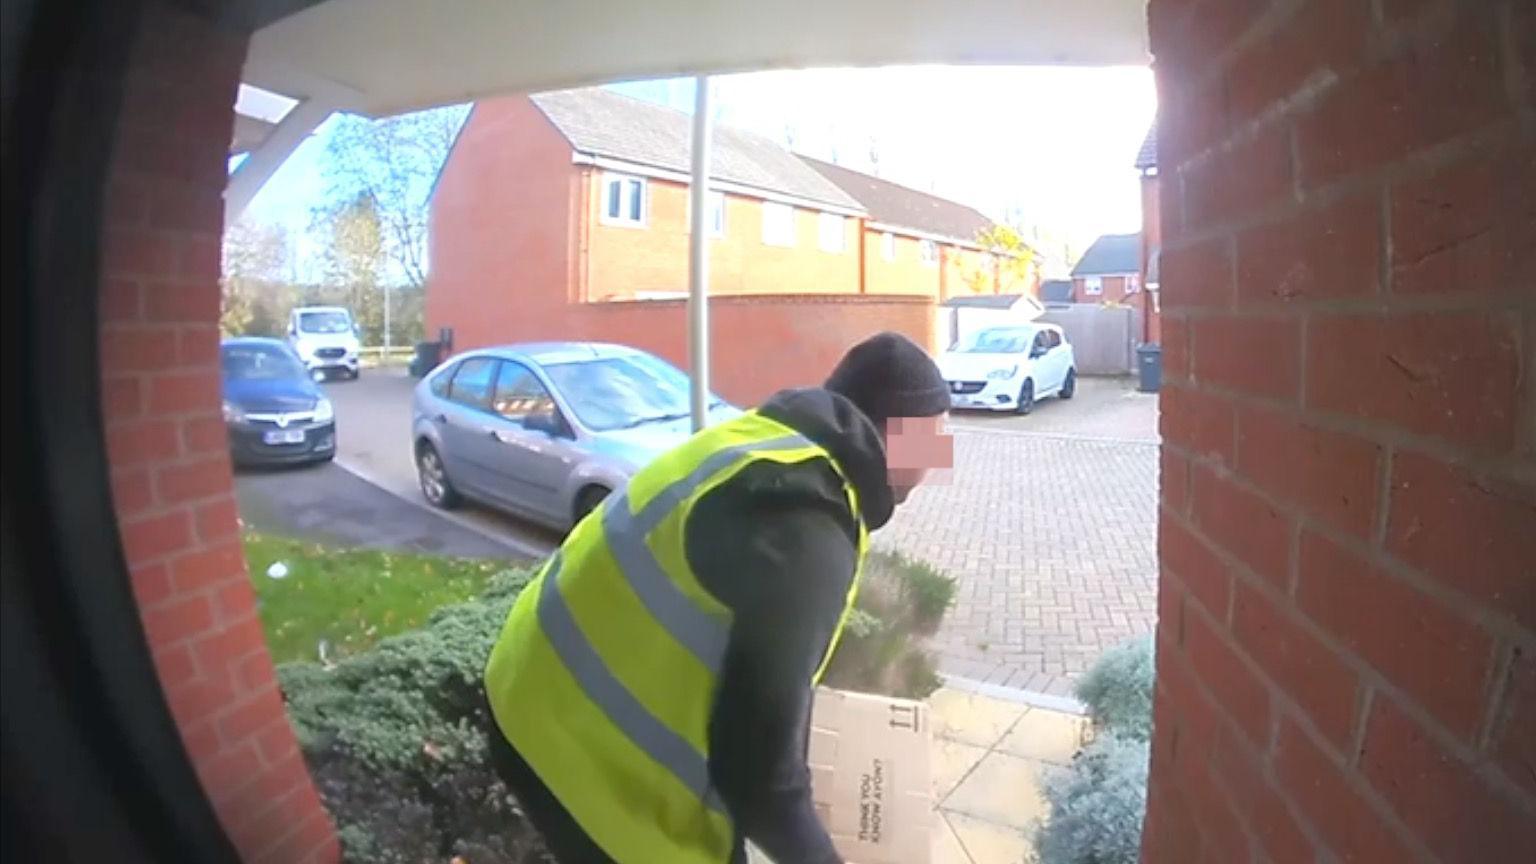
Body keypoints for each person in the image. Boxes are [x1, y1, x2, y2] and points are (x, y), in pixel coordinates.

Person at [482, 331, 955, 864]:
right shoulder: (806, 530)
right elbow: (758, 778)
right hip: (565, 746)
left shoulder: (765, 445)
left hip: (531, 680)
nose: (938, 460)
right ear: (893, 433)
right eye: (933, 437)